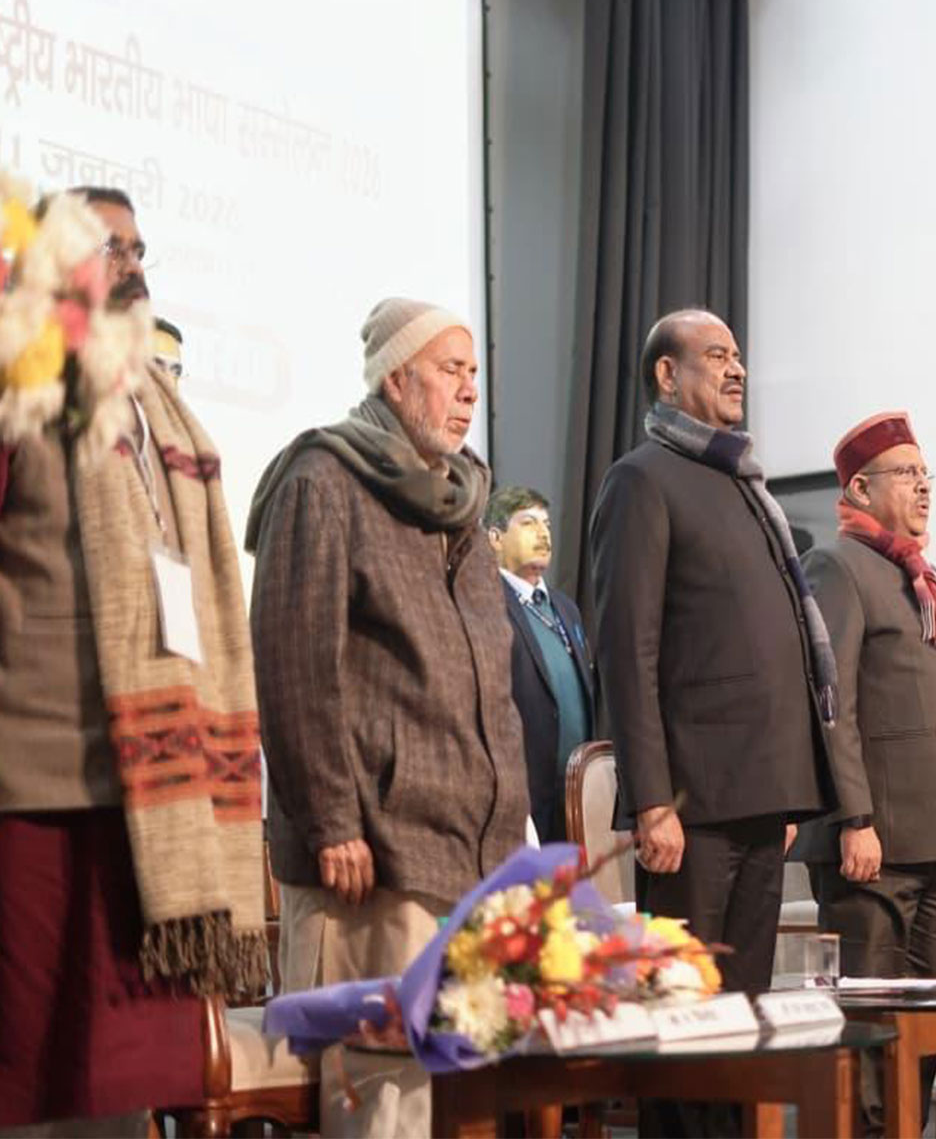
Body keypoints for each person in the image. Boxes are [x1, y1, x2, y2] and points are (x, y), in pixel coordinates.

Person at [0, 186, 266, 1128]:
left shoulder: (160, 408)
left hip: (156, 803)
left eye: (140, 247)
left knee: (134, 1086)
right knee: (38, 1079)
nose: (133, 264)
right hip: (39, 792)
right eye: (109, 247)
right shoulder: (15, 378)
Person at [246, 298, 528, 1138]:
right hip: (371, 860)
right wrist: (333, 820)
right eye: (450, 370)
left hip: (470, 858)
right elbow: (296, 668)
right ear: (396, 379)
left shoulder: (464, 503)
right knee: (378, 1105)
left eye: (474, 372)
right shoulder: (322, 482)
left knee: (465, 1104)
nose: (469, 390)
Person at [589, 308, 836, 1135]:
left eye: (739, 356)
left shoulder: (743, 485)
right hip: (692, 809)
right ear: (668, 374)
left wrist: (793, 789)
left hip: (763, 800)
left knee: (743, 1029)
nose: (737, 370)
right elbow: (629, 650)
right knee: (685, 1026)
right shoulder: (644, 479)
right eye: (717, 356)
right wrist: (653, 800)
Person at [793, 411, 936, 1137]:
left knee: (925, 1031)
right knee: (870, 1033)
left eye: (925, 474)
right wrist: (854, 817)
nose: (922, 487)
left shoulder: (921, 575)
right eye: (906, 474)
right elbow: (831, 702)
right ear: (859, 486)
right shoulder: (838, 565)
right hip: (876, 845)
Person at [485, 484, 595, 843]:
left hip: (577, 795)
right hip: (523, 799)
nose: (543, 533)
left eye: (546, 524)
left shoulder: (565, 607)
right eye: (528, 523)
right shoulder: (486, 604)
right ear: (495, 538)